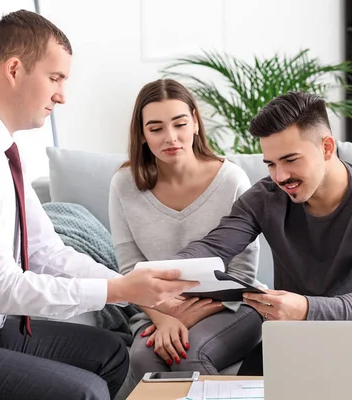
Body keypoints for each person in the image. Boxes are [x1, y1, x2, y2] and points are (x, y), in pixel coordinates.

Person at [0, 10, 196, 400]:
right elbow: (1, 287)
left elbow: (46, 251)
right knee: (85, 391)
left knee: (111, 353)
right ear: (14, 69)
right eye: (55, 78)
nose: (62, 95)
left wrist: (130, 290)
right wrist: (115, 290)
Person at [171, 90, 352, 375]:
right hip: (293, 332)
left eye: (290, 160)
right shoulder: (264, 198)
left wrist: (306, 309)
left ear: (326, 148)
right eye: (271, 164)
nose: (280, 176)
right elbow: (213, 247)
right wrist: (165, 272)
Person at [109, 79, 262, 396]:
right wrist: (164, 317)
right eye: (156, 128)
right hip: (157, 309)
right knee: (142, 357)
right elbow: (129, 271)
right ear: (141, 134)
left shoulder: (231, 179)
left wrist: (188, 313)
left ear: (194, 122)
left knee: (190, 354)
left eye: (179, 123)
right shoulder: (123, 184)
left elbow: (243, 274)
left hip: (233, 307)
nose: (171, 137)